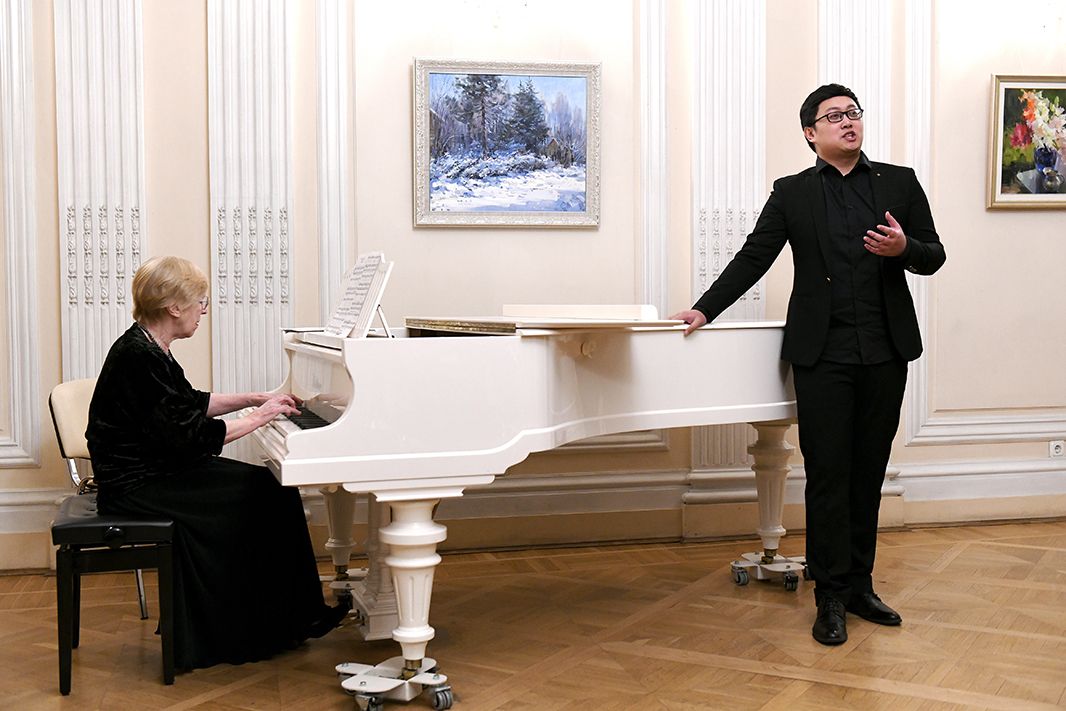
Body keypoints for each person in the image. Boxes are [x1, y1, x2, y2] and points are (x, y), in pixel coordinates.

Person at [671, 84, 946, 646]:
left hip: (886, 351)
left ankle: (861, 586)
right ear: (810, 133)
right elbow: (754, 256)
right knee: (827, 475)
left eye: (853, 113)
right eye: (834, 116)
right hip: (823, 354)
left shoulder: (899, 182)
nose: (848, 122)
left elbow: (933, 254)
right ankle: (831, 597)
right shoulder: (792, 192)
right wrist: (704, 309)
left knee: (868, 473)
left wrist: (904, 250)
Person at [86, 255, 349, 671]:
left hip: (155, 472)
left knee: (271, 489)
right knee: (267, 493)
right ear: (174, 306)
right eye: (200, 302)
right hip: (137, 485)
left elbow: (189, 404)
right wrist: (261, 416)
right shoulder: (139, 356)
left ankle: (287, 619)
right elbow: (191, 436)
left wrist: (255, 398)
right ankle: (259, 628)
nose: (203, 311)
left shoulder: (147, 345)